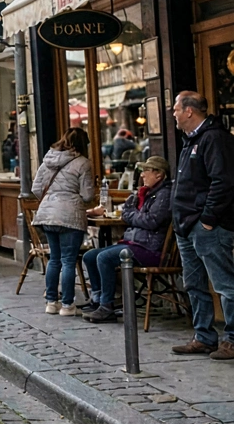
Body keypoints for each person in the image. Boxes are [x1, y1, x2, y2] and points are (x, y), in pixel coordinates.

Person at [169, 92, 234, 359]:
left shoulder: (214, 138)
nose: (173, 113)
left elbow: (224, 182)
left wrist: (207, 219)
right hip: (186, 225)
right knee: (194, 283)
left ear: (189, 111)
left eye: (176, 109)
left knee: (224, 283)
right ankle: (204, 336)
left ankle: (232, 338)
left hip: (208, 225)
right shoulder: (190, 140)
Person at [81, 156, 171, 324]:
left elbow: (151, 221)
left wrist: (132, 215)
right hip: (135, 242)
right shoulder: (145, 193)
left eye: (146, 171)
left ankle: (107, 306)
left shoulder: (164, 194)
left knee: (105, 258)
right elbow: (127, 212)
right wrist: (134, 211)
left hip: (149, 248)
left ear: (159, 175)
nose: (142, 175)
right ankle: (98, 298)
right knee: (90, 256)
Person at [31, 127, 94, 315]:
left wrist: (52, 196)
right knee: (68, 261)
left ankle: (51, 302)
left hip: (48, 214)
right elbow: (87, 194)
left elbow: (35, 188)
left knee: (54, 260)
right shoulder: (83, 163)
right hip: (70, 216)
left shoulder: (48, 160)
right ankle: (67, 305)